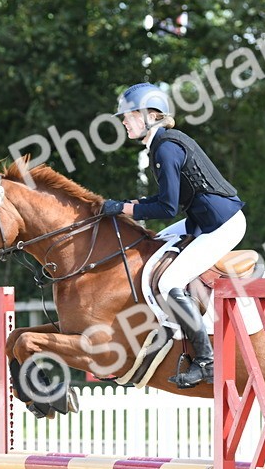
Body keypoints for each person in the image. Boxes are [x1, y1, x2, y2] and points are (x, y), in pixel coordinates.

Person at [100, 83, 247, 389]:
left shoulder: (166, 148)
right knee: (152, 245)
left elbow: (167, 207)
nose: (124, 122)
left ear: (149, 116)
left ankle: (206, 361)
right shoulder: (160, 145)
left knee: (169, 281)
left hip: (223, 224)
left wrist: (124, 208)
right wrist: (132, 205)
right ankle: (165, 329)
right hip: (200, 220)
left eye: (128, 116)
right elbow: (170, 201)